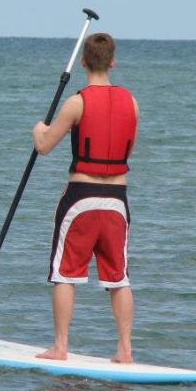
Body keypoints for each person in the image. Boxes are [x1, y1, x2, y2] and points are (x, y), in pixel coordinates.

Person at [31, 32, 139, 363]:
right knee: (118, 278)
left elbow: (45, 146)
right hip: (117, 202)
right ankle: (125, 350)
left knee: (65, 274)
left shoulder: (76, 102)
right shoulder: (131, 103)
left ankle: (60, 346)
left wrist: (38, 129)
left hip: (81, 199)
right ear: (113, 62)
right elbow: (127, 150)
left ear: (83, 63)